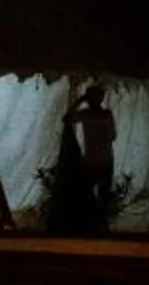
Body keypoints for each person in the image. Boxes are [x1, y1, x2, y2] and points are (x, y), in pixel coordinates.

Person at [46, 83, 120, 234]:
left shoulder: (106, 114)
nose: (97, 100)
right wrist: (79, 101)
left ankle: (101, 225)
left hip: (105, 158)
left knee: (103, 193)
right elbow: (66, 118)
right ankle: (92, 224)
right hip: (92, 159)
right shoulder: (85, 114)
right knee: (88, 192)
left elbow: (112, 135)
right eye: (93, 97)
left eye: (99, 96)